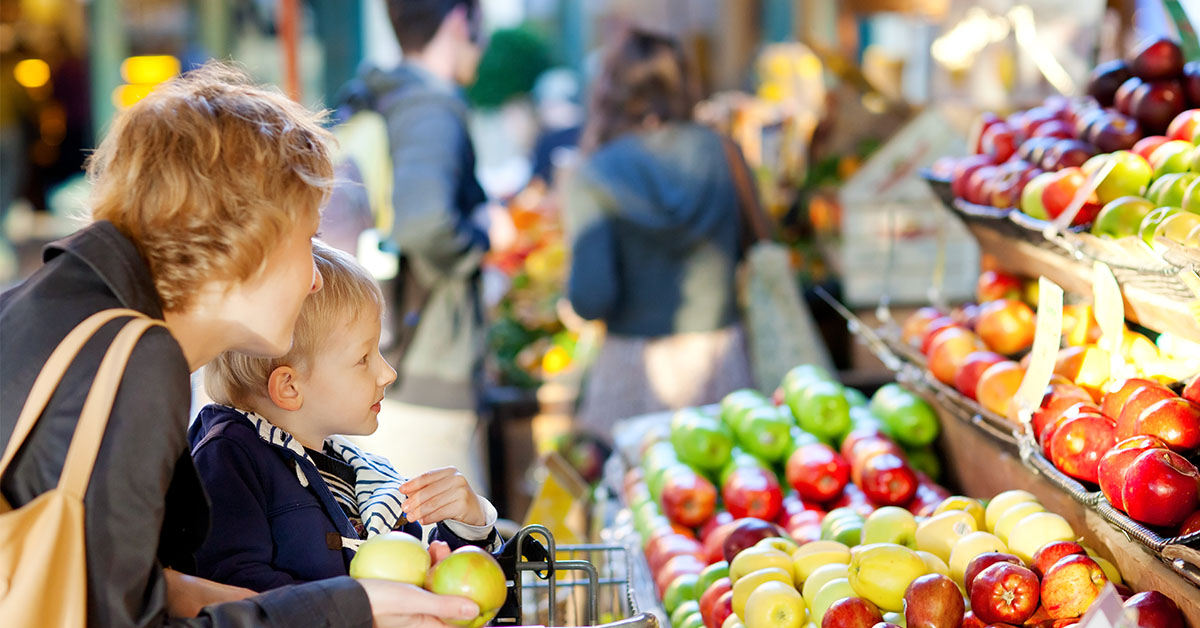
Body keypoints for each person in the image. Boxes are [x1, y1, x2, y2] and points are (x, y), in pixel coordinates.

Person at [0, 63, 480, 627]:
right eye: (306, 240)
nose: (315, 279)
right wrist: (342, 610)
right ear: (243, 241)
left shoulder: (57, 305)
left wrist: (352, 603)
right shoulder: (134, 358)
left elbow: (133, 586)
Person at [191, 242, 500, 592]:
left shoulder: (361, 472)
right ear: (290, 387)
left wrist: (469, 527)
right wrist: (361, 605)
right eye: (363, 358)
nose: (388, 374)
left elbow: (429, 591)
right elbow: (232, 591)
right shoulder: (229, 459)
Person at [340, 0, 506, 494]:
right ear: (459, 20)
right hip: (425, 372)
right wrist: (484, 233)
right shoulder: (431, 108)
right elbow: (426, 224)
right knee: (451, 547)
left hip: (393, 358)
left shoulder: (380, 98)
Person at [564, 27, 756, 439]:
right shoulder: (723, 151)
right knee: (733, 487)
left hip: (634, 370)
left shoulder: (596, 172)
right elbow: (753, 245)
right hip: (721, 362)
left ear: (610, 89)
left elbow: (590, 297)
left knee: (636, 494)